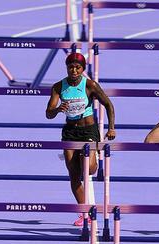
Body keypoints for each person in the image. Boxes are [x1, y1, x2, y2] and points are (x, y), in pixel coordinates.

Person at [45, 52, 116, 227]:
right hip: (70, 131)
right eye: (71, 67)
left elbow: (108, 104)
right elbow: (48, 113)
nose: (74, 71)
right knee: (74, 175)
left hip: (88, 131)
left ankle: (94, 160)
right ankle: (85, 212)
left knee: (90, 169)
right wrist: (58, 109)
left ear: (83, 69)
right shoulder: (58, 87)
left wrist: (111, 128)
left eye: (78, 68)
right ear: (67, 68)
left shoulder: (89, 85)